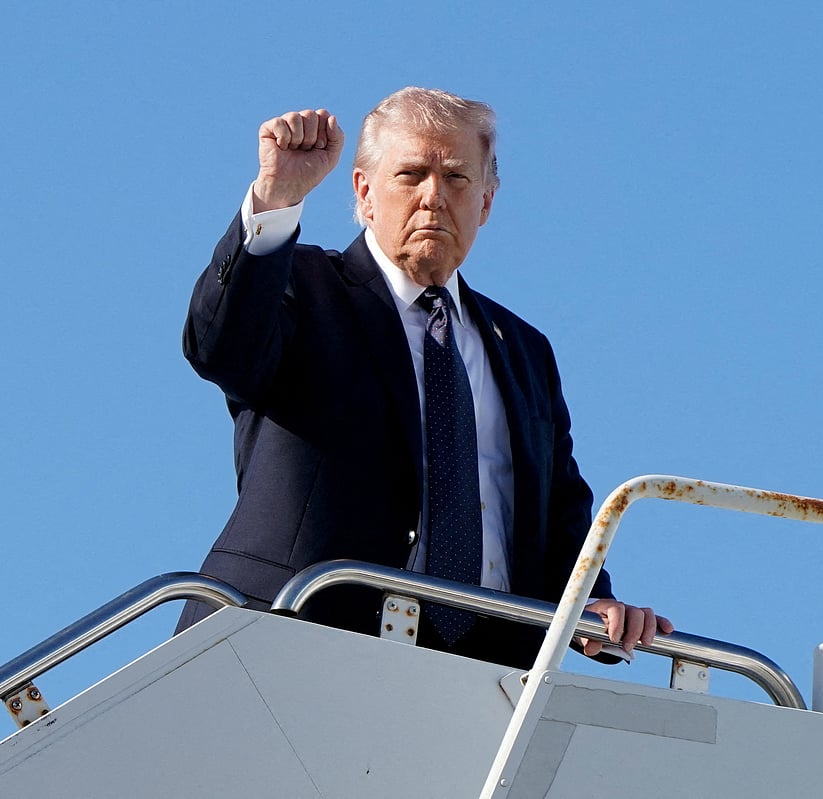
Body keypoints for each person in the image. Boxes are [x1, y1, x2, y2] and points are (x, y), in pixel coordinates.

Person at [176, 87, 671, 668]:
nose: (433, 197)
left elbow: (553, 510)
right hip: (291, 643)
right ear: (364, 193)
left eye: (457, 179)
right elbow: (221, 348)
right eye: (410, 174)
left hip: (481, 673)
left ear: (486, 203)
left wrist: (592, 603)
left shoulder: (525, 350)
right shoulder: (304, 287)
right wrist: (276, 197)